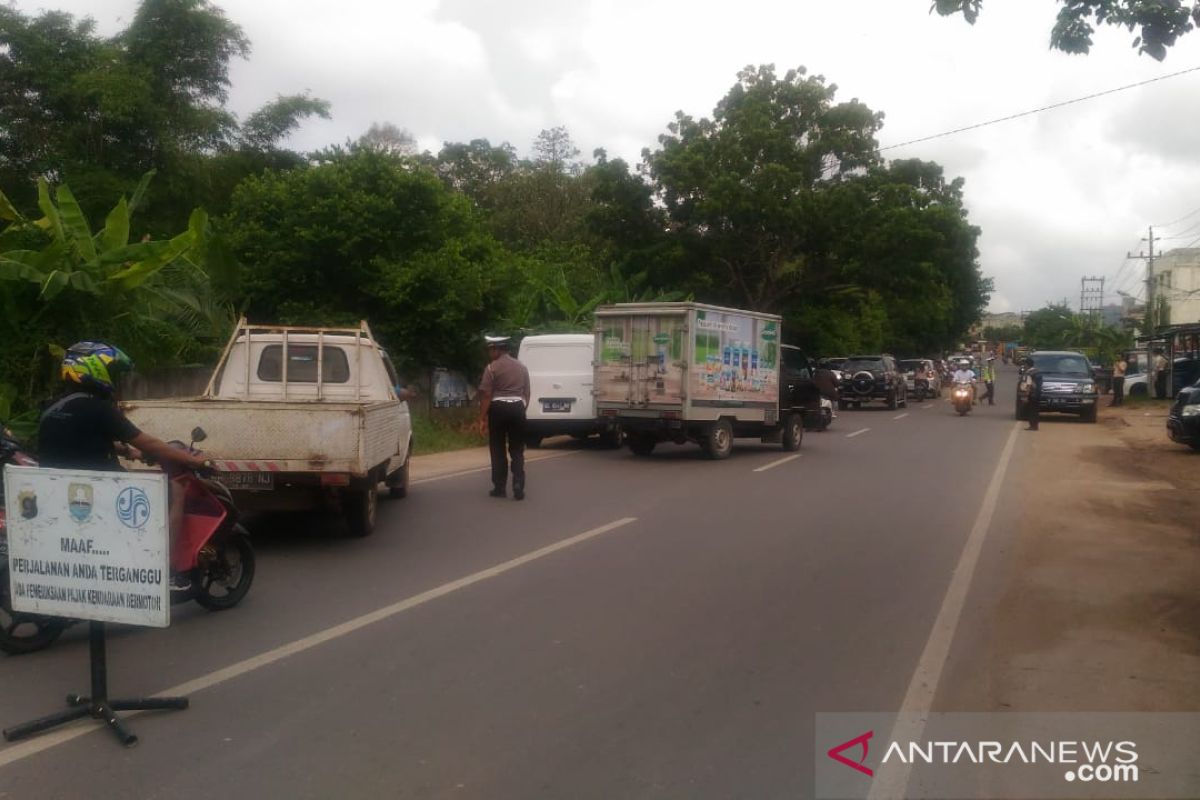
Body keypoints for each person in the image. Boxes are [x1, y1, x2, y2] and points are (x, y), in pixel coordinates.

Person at [39, 342, 211, 586]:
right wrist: (193, 460)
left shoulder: (52, 406)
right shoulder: (99, 409)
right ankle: (165, 570)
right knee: (175, 491)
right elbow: (147, 442)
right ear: (95, 369)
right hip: (100, 492)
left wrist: (129, 453)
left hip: (58, 492)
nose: (114, 378)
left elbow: (80, 439)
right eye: (112, 370)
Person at [477, 335, 531, 500]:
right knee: (516, 449)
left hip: (498, 409)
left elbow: (486, 394)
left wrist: (482, 417)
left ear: (497, 349)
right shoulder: (522, 367)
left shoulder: (492, 368)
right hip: (517, 408)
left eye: (490, 350)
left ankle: (499, 487)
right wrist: (520, 409)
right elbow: (527, 393)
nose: (489, 353)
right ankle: (518, 484)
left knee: (497, 448)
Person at [1025, 364, 1043, 431]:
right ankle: (1036, 426)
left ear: (1027, 365)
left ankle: (1032, 426)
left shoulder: (1029, 373)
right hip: (1038, 394)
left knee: (1031, 411)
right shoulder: (1038, 372)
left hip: (1032, 394)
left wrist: (1026, 395)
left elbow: (1028, 385)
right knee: (1036, 411)